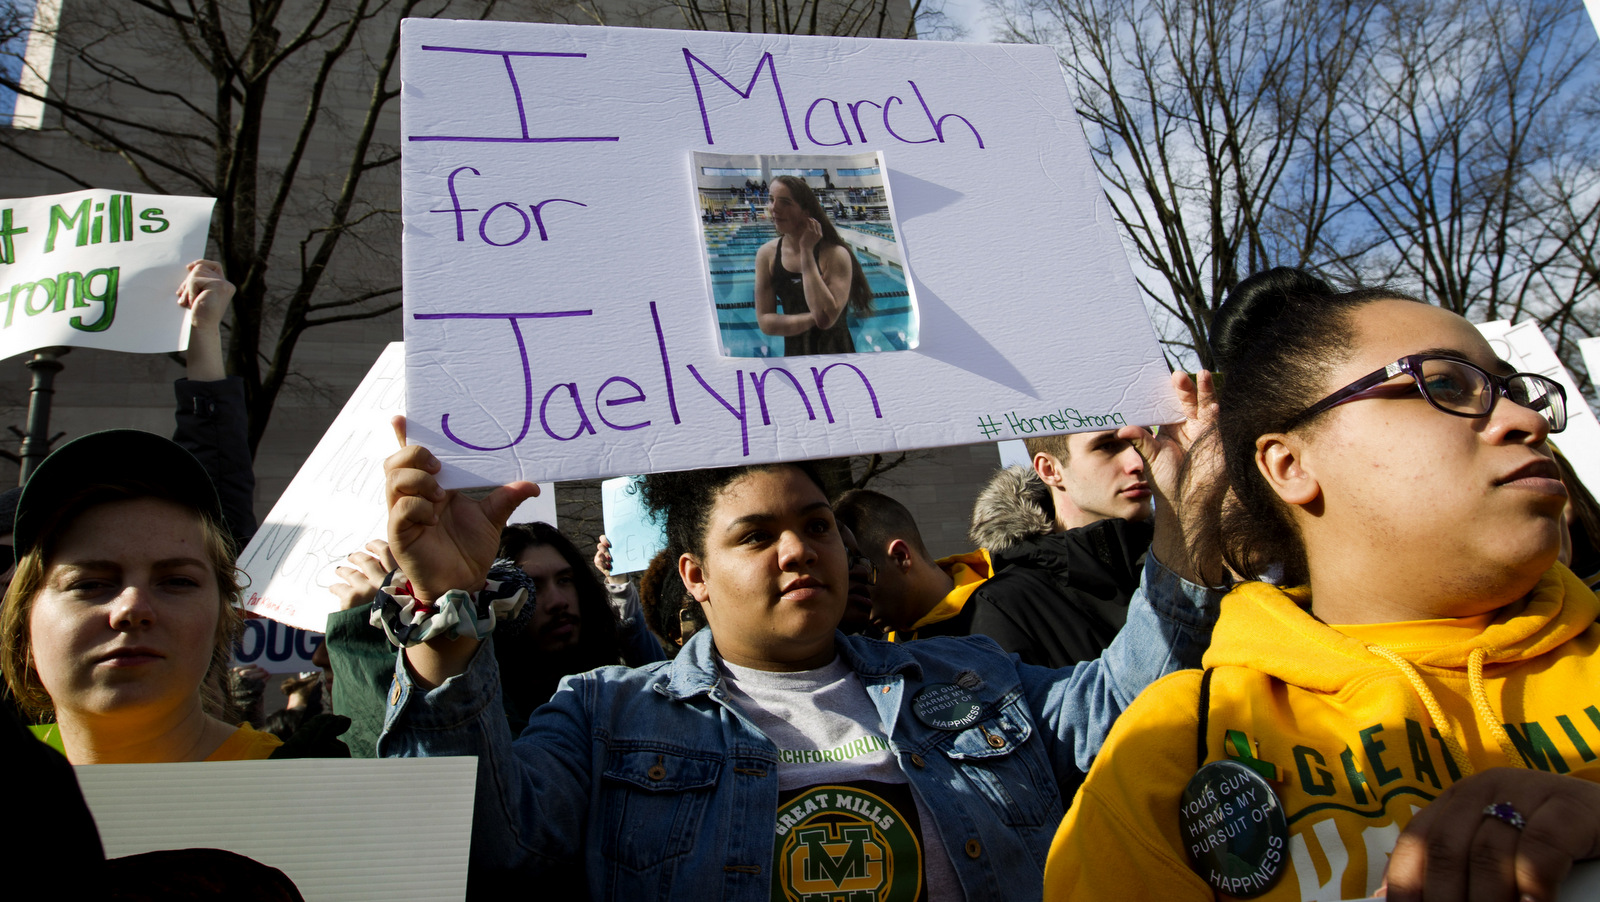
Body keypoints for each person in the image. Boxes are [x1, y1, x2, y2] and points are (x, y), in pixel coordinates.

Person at [374, 377, 1221, 900]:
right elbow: (482, 852)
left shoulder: (970, 676)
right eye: (754, 535)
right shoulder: (604, 718)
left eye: (816, 523)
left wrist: (1187, 523)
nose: (798, 548)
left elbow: (1135, 712)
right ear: (693, 577)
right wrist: (448, 611)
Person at [1044, 268, 1600, 902]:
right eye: (1443, 383)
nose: (1526, 420)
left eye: (1517, 391)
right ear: (1290, 463)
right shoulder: (1170, 750)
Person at [1, 431, 290, 762]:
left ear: (222, 617)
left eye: (178, 581)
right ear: (22, 624)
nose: (132, 608)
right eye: (90, 584)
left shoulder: (315, 787)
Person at [959, 431, 1155, 668]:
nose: (1137, 462)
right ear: (1050, 470)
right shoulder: (1003, 606)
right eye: (1107, 446)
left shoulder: (1190, 565)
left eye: (1138, 442)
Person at [833, 488, 996, 641]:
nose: (853, 599)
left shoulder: (1004, 606)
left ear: (901, 556)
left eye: (862, 574)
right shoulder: (881, 653)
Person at [754, 175, 873, 357]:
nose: (774, 208)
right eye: (771, 200)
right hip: (795, 355)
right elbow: (765, 323)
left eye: (785, 202)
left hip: (838, 354)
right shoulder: (766, 255)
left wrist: (807, 252)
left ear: (805, 212)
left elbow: (825, 320)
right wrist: (814, 318)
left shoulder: (834, 254)